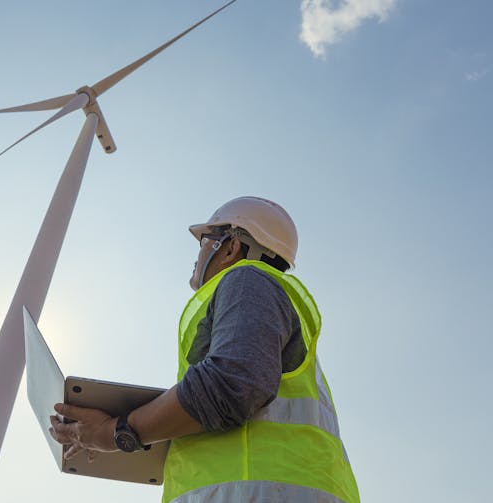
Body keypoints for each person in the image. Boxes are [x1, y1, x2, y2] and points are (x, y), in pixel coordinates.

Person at [49, 196, 360, 503]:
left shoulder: (247, 280)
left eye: (205, 241)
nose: (197, 254)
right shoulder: (259, 291)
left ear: (230, 247)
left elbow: (232, 385)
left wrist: (116, 432)